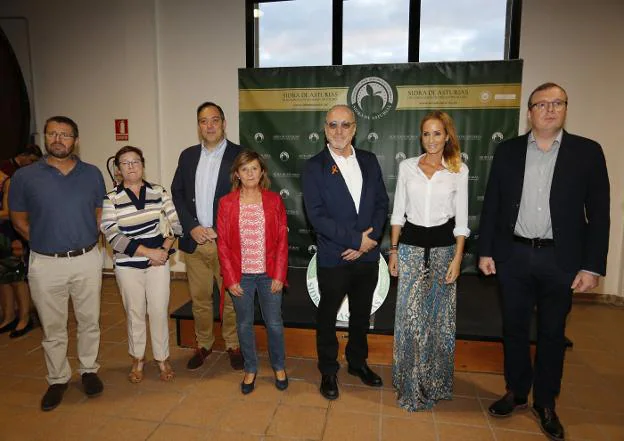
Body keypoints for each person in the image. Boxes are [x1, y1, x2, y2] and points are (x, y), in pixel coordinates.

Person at [478, 82, 610, 441]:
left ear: (566, 109)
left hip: (561, 260)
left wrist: (592, 266)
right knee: (514, 329)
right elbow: (492, 204)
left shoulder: (587, 152)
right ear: (530, 112)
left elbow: (599, 215)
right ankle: (517, 392)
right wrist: (486, 250)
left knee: (553, 333)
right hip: (514, 255)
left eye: (557, 103)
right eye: (542, 104)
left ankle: (546, 402)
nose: (550, 110)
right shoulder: (508, 152)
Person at [9, 116, 106, 411]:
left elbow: (100, 210)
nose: (58, 139)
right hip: (45, 263)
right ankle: (58, 378)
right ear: (45, 138)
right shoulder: (25, 177)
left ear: (75, 140)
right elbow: (18, 219)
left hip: (87, 259)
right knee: (53, 326)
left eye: (65, 134)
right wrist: (43, 241)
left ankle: (89, 369)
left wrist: (90, 235)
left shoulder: (92, 173)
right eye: (53, 134)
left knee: (89, 320)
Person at [302, 104, 389, 400]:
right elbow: (316, 216)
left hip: (367, 257)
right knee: (327, 317)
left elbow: (381, 205)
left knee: (361, 316)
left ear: (354, 128)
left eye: (345, 125)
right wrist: (354, 241)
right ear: (325, 129)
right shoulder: (314, 166)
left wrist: (369, 240)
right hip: (334, 257)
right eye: (333, 125)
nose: (339, 131)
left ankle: (357, 363)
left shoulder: (369, 160)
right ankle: (328, 369)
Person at [388, 111, 469, 411]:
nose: (432, 139)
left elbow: (461, 220)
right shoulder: (407, 167)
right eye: (426, 134)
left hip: (444, 249)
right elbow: (398, 212)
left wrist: (458, 258)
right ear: (420, 137)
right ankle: (409, 384)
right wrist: (393, 251)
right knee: (409, 320)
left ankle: (433, 384)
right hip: (409, 248)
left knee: (438, 322)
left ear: (447, 136)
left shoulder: (458, 170)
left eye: (437, 133)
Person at [100, 146, 182, 383]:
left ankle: (162, 358)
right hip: (128, 265)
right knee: (134, 312)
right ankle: (137, 359)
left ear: (143, 164)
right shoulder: (111, 198)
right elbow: (112, 235)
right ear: (118, 169)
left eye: (135, 161)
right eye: (125, 163)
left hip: (159, 263)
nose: (131, 166)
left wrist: (164, 251)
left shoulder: (159, 191)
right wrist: (149, 252)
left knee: (158, 310)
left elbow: (176, 224)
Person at [171, 101, 243, 370]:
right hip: (195, 241)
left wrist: (221, 228)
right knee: (200, 299)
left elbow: (248, 196)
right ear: (199, 126)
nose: (210, 125)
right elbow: (176, 192)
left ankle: (233, 344)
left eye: (215, 120)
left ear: (224, 123)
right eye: (204, 121)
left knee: (231, 300)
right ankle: (203, 344)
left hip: (227, 243)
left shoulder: (240, 155)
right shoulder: (188, 155)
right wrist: (191, 226)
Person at [217, 150, 288, 394]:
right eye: (244, 169)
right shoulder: (226, 203)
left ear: (262, 172)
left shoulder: (274, 200)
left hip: (268, 274)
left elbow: (281, 241)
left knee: (275, 324)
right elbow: (223, 245)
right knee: (244, 324)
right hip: (241, 277)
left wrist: (279, 274)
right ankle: (250, 368)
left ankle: (279, 366)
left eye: (254, 168)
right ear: (237, 174)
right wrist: (230, 278)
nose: (250, 173)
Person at [0, 144, 42, 337]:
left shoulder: (12, 179)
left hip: (13, 234)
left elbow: (14, 213)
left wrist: (19, 239)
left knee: (18, 277)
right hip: (4, 233)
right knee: (3, 279)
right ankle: (8, 317)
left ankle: (24, 318)